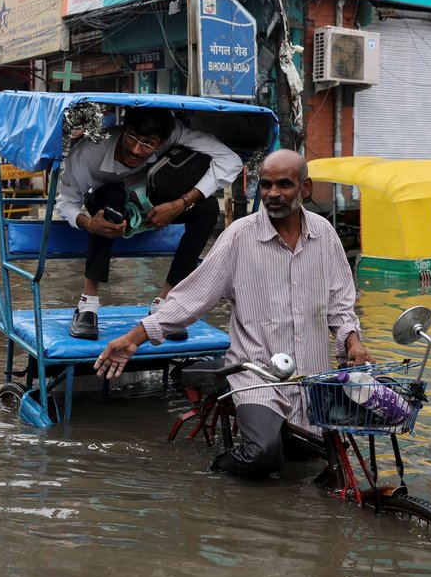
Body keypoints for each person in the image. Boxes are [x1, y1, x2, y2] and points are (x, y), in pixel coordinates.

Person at [94, 149, 374, 477]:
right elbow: (191, 299)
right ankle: (218, 474)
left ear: (305, 188)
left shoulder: (324, 235)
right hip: (255, 373)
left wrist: (353, 342)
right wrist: (133, 339)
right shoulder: (239, 236)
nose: (273, 194)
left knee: (322, 464)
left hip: (310, 376)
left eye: (284, 184)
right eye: (266, 185)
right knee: (263, 454)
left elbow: (340, 304)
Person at [56, 105, 242, 341]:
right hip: (110, 207)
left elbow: (231, 160)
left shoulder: (174, 133)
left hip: (154, 202)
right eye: (132, 137)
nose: (135, 149)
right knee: (110, 201)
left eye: (148, 143)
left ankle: (166, 302)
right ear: (124, 129)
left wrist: (180, 204)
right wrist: (89, 224)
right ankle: (87, 305)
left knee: (208, 208)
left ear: (162, 141)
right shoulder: (88, 153)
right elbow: (65, 202)